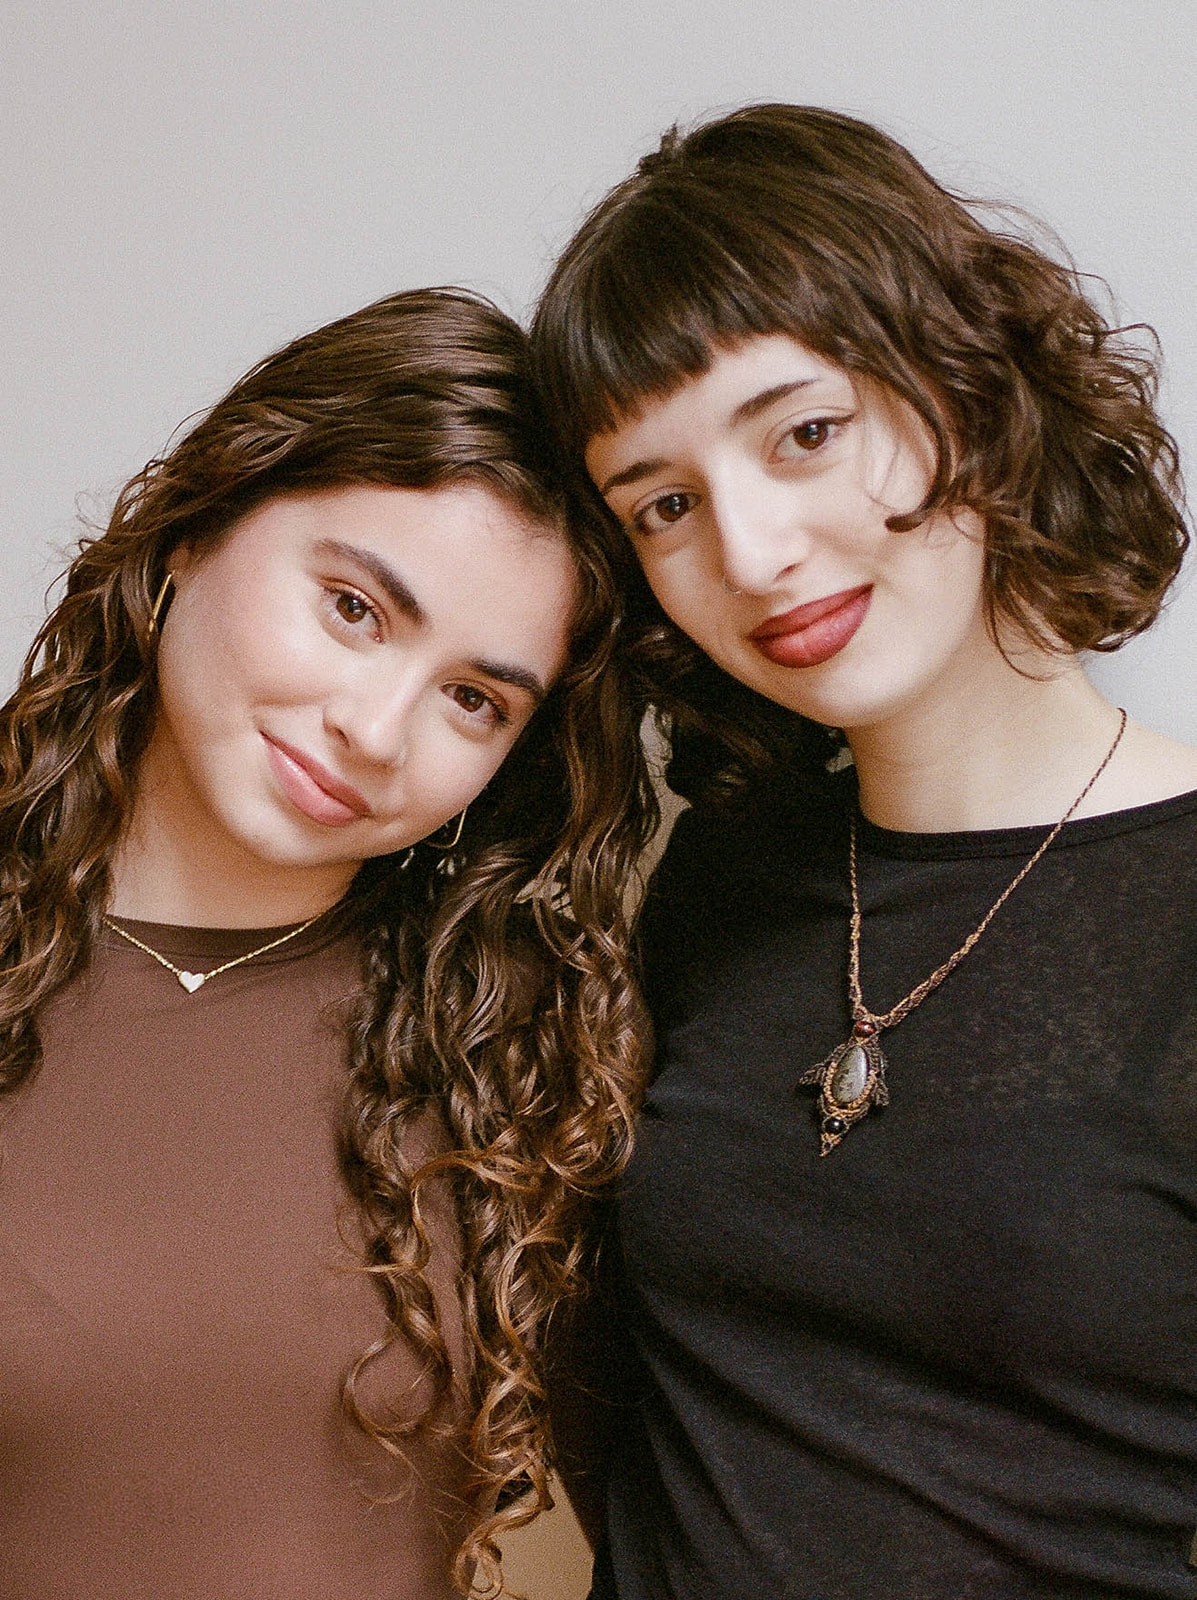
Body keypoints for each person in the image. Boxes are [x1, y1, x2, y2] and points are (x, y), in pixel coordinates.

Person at [531, 105, 1197, 1599]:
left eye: (805, 434)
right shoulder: (710, 885)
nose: (753, 552)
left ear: (966, 378)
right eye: (664, 506)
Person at [0, 287, 654, 1599]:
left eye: (472, 699)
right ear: (200, 523)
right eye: (356, 608)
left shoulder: (528, 1054)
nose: (375, 725)